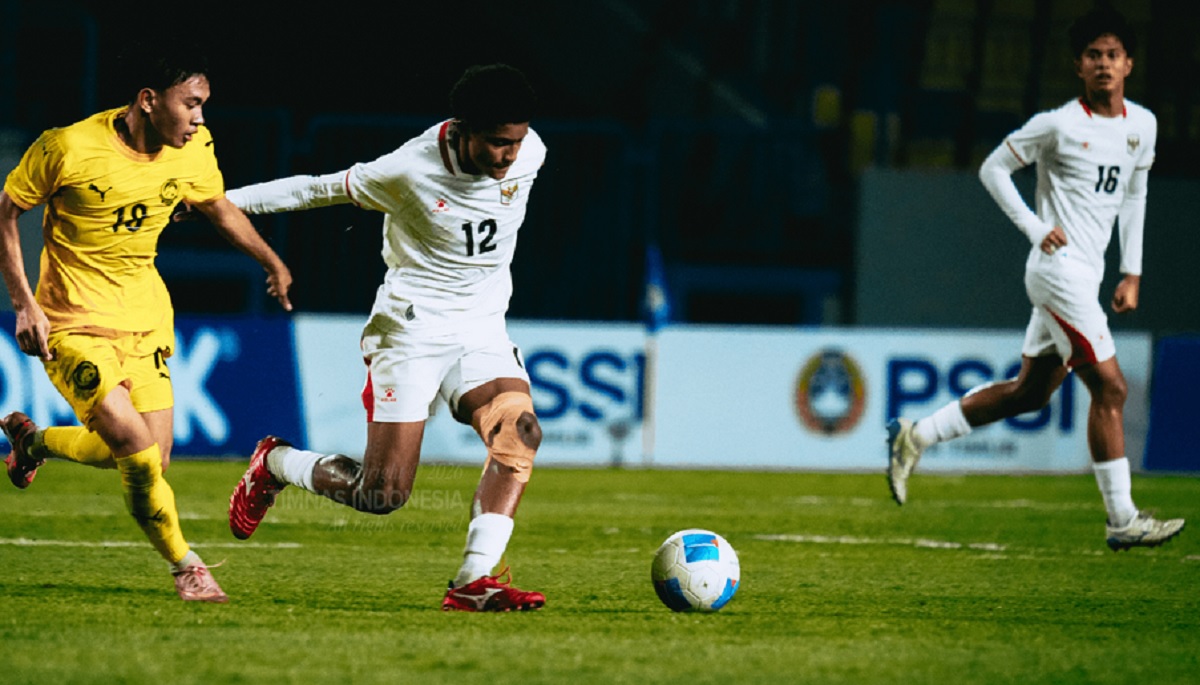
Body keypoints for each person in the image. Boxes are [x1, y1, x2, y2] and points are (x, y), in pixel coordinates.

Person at [225, 63, 547, 611]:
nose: (508, 156)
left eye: (514, 142)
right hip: (412, 329)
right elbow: (312, 191)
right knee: (383, 495)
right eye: (495, 143)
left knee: (519, 434)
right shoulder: (408, 170)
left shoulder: (532, 150)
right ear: (462, 128)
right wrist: (220, 202)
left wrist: (516, 146)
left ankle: (472, 581)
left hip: (482, 325)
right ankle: (275, 463)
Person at [0, 37, 294, 602]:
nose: (199, 118)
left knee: (149, 458)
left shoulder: (193, 148)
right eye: (191, 104)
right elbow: (6, 214)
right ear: (148, 100)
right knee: (135, 451)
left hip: (147, 319)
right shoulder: (67, 148)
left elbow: (218, 206)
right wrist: (24, 304)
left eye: (203, 105)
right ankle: (188, 566)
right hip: (73, 323)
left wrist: (271, 260)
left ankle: (32, 443)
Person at [886, 7, 1185, 552]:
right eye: (1093, 55)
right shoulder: (1057, 124)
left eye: (1112, 55)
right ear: (1078, 65)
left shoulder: (1143, 125)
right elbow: (992, 168)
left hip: (1088, 274)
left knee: (1029, 393)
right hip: (1057, 272)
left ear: (1129, 64)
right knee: (1110, 387)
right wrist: (1034, 226)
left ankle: (916, 435)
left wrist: (1131, 272)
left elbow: (1135, 197)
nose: (1103, 64)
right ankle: (1122, 518)